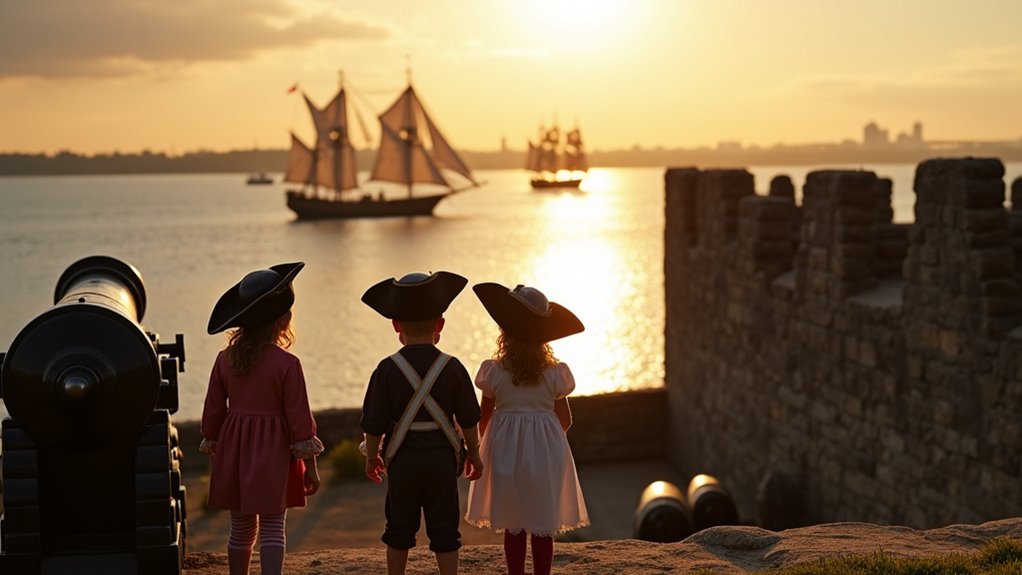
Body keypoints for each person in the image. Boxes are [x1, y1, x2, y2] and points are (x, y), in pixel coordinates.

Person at [199, 262, 324, 575]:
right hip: (273, 453)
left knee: (240, 529)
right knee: (272, 529)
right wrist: (310, 467)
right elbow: (299, 423)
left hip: (234, 449)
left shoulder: (224, 360)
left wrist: (215, 444)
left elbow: (213, 410)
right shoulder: (287, 364)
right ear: (282, 322)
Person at [359, 271, 484, 575]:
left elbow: (373, 422)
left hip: (402, 461)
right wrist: (475, 455)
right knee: (445, 531)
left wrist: (373, 456)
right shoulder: (453, 368)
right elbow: (469, 418)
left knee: (399, 528)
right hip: (442, 459)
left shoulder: (386, 370)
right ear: (440, 325)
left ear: (396, 326)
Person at [465, 282, 589, 575]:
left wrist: (482, 451)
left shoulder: (494, 371)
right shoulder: (554, 373)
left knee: (515, 522)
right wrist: (548, 444)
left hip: (505, 449)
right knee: (543, 524)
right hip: (546, 449)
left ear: (505, 332)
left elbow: (482, 417)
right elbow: (565, 419)